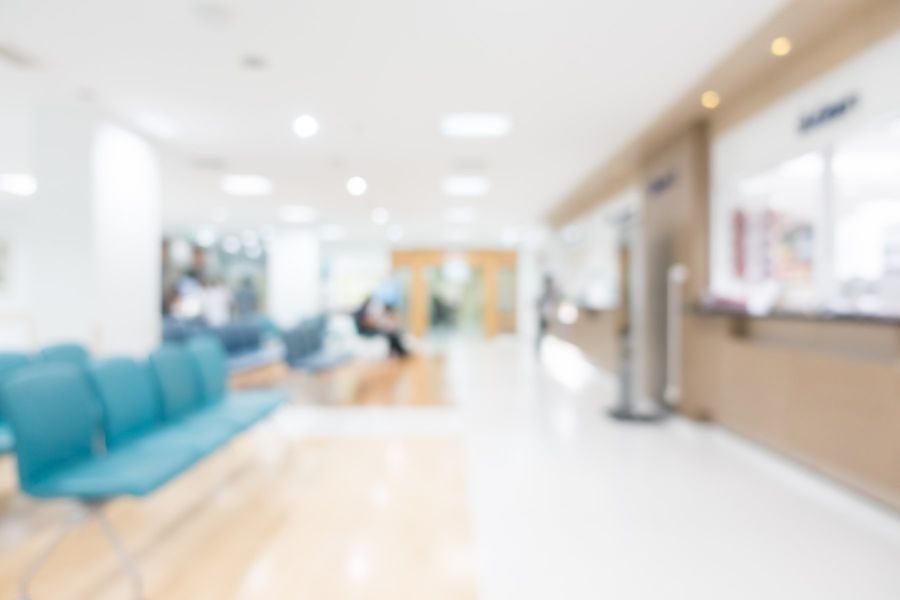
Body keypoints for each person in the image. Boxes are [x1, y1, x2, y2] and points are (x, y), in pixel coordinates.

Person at [536, 274, 559, 351]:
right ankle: (540, 350)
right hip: (544, 317)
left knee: (550, 335)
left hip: (551, 317)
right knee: (542, 334)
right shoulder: (544, 293)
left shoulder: (553, 293)